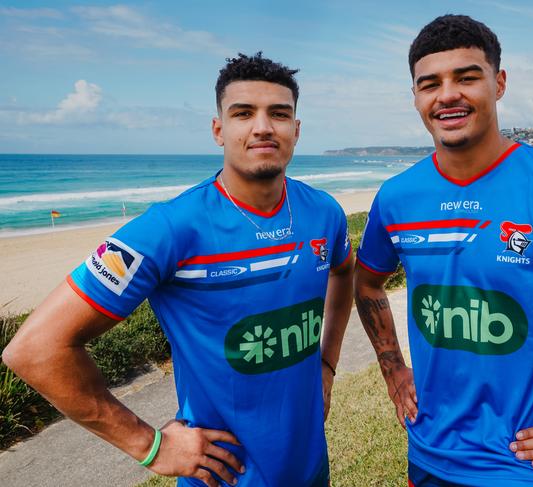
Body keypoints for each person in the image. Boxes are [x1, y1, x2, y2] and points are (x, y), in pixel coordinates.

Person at [3, 52, 353, 487]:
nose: (263, 126)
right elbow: (35, 350)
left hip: (311, 468)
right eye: (243, 113)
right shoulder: (169, 228)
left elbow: (343, 272)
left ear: (296, 130)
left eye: (279, 114)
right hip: (224, 477)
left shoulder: (324, 213)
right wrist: (149, 445)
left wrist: (328, 364)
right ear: (218, 129)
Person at [354, 14, 533, 487]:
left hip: (524, 468)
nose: (447, 94)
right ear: (415, 97)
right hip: (427, 457)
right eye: (429, 83)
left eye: (467, 77)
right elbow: (367, 281)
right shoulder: (396, 197)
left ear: (500, 83)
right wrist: (392, 366)